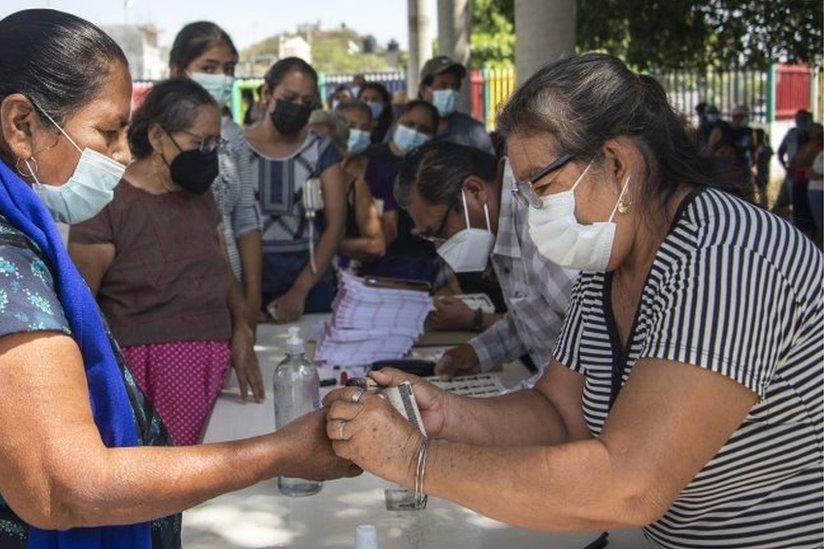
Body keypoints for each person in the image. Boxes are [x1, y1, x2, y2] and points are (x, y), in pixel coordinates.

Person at [0, 11, 355, 548]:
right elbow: (64, 488)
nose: (123, 154)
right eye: (109, 131)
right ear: (22, 124)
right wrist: (283, 452)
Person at [324, 53, 822, 548]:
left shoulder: (726, 258)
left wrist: (417, 460)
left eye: (542, 188)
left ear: (615, 162)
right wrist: (447, 416)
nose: (533, 212)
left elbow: (629, 486)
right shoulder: (610, 262)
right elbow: (559, 411)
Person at [69, 78, 265, 447]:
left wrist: (242, 327)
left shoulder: (200, 197)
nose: (208, 154)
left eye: (214, 144)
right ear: (158, 136)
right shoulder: (108, 202)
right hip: (146, 378)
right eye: (199, 143)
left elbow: (222, 271)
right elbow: (81, 304)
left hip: (214, 370)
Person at [393, 141, 577, 381]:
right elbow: (537, 319)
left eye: (440, 230)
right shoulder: (501, 223)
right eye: (430, 237)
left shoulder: (543, 234)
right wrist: (477, 352)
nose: (440, 247)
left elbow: (595, 363)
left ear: (474, 191)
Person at [168, 21, 261, 326]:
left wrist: (250, 302)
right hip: (168, 296)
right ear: (179, 70)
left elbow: (245, 219)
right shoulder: (153, 136)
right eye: (209, 67)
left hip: (227, 292)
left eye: (229, 68)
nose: (221, 78)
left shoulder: (233, 136)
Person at [241, 57, 347, 323]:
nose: (298, 107)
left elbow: (336, 226)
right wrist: (248, 299)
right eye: (290, 97)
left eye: (307, 102)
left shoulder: (322, 150)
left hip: (310, 287)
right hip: (246, 285)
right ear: (266, 93)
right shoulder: (235, 148)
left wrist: (299, 291)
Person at [356, 100, 439, 284]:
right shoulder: (369, 157)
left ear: (433, 135)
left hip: (416, 260)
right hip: (372, 260)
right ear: (396, 122)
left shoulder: (434, 168)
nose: (414, 132)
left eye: (423, 129)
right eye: (409, 125)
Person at [334, 100, 385, 266]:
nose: (356, 133)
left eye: (364, 128)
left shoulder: (363, 182)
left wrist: (324, 244)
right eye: (350, 126)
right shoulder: (309, 171)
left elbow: (377, 246)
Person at [418, 55, 493, 156]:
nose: (450, 92)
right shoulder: (406, 129)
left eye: (455, 86)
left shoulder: (473, 131)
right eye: (443, 85)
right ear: (423, 90)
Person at [792, 122, 824, 236]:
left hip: (815, 187)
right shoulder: (807, 146)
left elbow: (814, 172)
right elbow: (795, 163)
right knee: (804, 219)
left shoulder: (818, 147)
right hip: (803, 183)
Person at [776, 109, 812, 211]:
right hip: (793, 173)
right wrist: (785, 167)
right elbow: (780, 152)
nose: (800, 121)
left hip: (810, 174)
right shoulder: (791, 134)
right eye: (798, 118)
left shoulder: (814, 136)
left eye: (803, 119)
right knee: (790, 201)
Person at [752, 127, 771, 208]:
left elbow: (759, 160)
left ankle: (763, 208)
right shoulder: (764, 148)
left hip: (761, 172)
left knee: (761, 192)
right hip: (762, 172)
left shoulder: (762, 148)